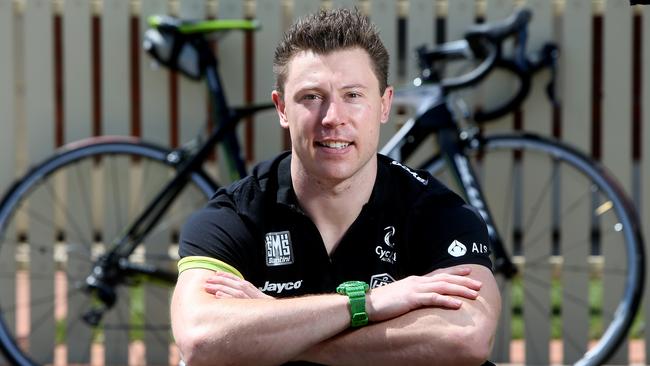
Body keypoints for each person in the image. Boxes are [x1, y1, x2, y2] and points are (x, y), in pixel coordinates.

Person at [171, 8, 501, 366]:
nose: (333, 118)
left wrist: (281, 330)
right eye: (311, 96)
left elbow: (465, 335)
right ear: (282, 108)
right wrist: (368, 304)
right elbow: (202, 339)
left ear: (384, 104)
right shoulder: (236, 214)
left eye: (353, 95)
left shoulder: (437, 212)